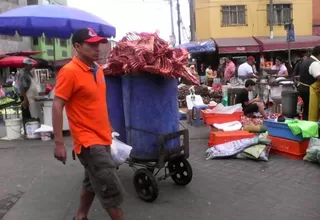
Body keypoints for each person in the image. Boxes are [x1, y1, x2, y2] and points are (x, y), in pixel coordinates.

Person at [52, 28, 125, 220]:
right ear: (77, 46)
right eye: (91, 44)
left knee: (92, 182)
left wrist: (109, 128)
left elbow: (97, 103)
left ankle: (80, 216)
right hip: (88, 142)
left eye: (98, 44)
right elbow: (57, 105)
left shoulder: (98, 70)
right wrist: (59, 143)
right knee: (110, 188)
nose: (97, 48)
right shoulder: (69, 72)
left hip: (103, 137)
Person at [298, 46, 320, 121]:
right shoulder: (315, 63)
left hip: (303, 88)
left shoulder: (306, 61)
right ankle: (310, 127)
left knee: (306, 110)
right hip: (310, 91)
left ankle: (305, 124)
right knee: (310, 110)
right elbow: (319, 77)